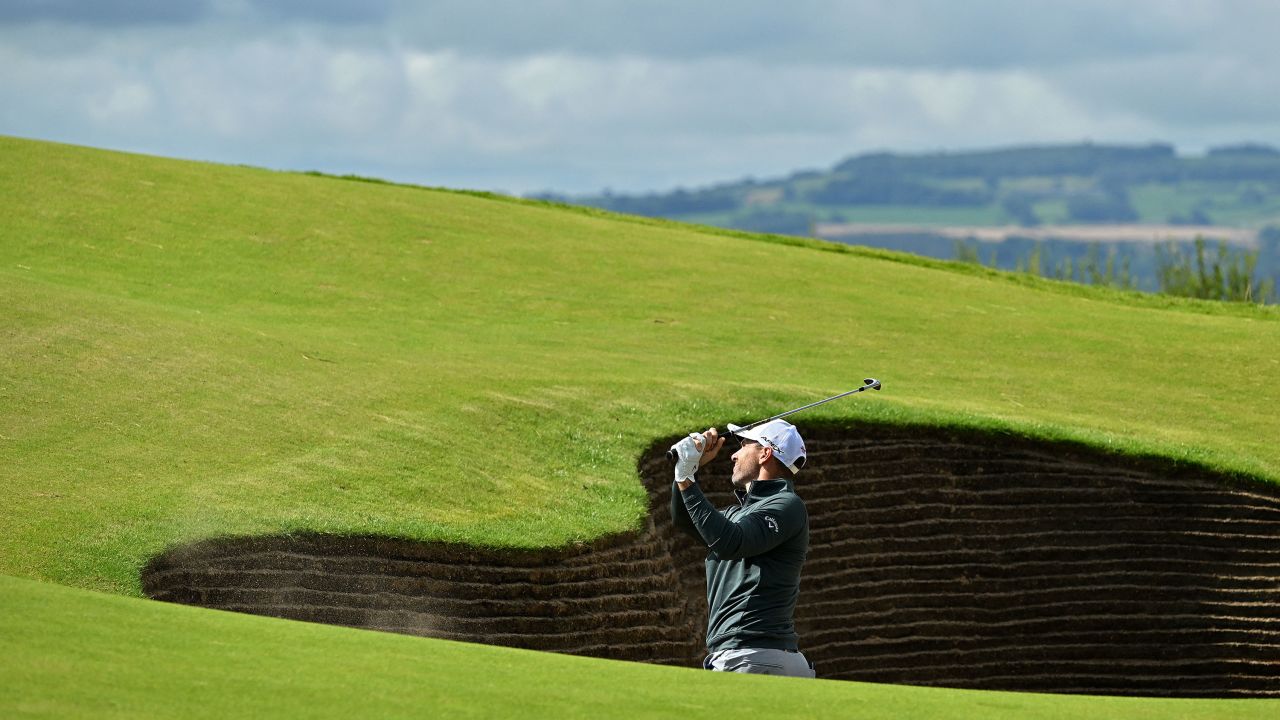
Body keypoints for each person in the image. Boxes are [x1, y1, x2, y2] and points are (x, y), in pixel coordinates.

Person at [668, 419, 814, 677]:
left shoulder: (787, 505)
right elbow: (685, 519)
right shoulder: (739, 514)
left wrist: (686, 477)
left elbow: (730, 543)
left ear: (765, 453)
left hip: (753, 656)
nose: (733, 454)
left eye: (744, 444)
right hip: (750, 657)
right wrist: (689, 471)